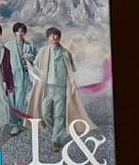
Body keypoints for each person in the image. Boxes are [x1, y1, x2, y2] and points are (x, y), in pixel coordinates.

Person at [28, 26, 94, 154]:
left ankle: (55, 140)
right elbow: (35, 64)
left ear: (59, 37)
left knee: (59, 115)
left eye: (56, 35)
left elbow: (71, 71)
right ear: (48, 37)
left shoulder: (65, 53)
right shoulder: (44, 51)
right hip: (47, 87)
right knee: (45, 113)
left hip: (61, 87)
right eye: (51, 35)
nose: (53, 37)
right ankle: (56, 132)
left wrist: (72, 86)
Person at [4, 22, 37, 136]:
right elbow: (4, 62)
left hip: (24, 76)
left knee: (21, 101)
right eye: (18, 31)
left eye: (22, 31)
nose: (20, 33)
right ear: (14, 32)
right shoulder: (8, 45)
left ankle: (19, 123)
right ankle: (14, 124)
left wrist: (29, 57)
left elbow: (37, 60)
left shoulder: (30, 45)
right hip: (11, 76)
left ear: (25, 33)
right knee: (11, 101)